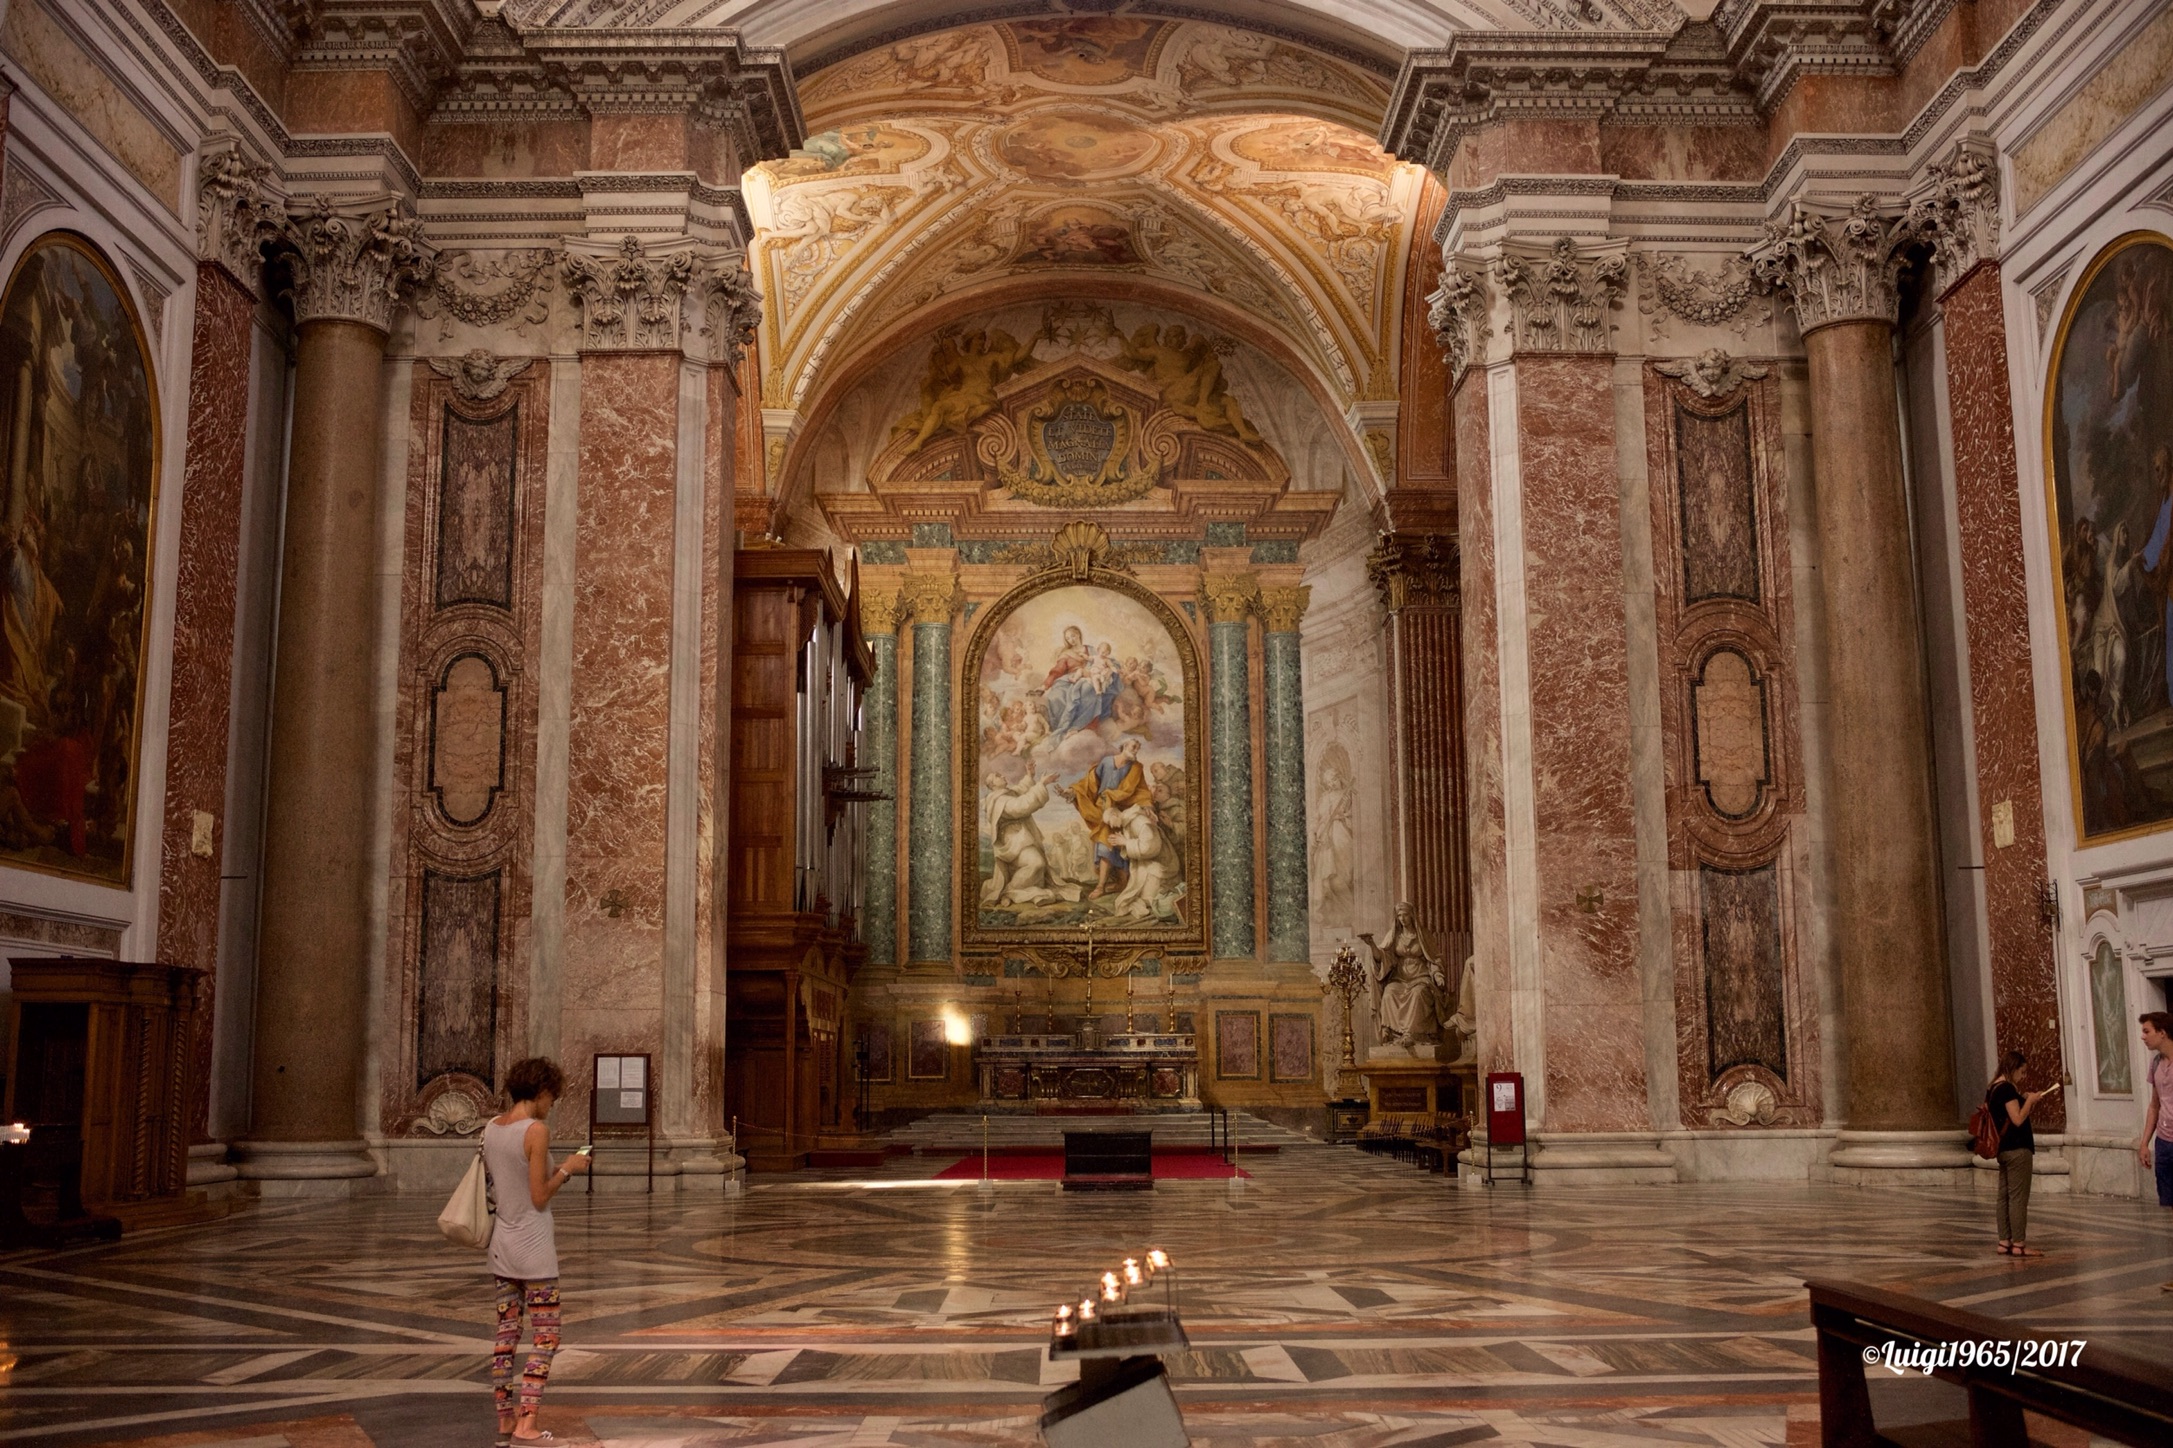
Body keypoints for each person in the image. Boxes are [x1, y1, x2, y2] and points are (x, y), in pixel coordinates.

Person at [483, 1057, 589, 1445]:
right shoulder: (536, 1130)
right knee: (546, 1336)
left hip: (501, 1246)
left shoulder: (491, 1129)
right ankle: (528, 1423)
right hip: (534, 1249)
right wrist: (568, 1168)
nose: (553, 1104)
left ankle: (505, 1419)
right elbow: (539, 1195)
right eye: (552, 1097)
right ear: (542, 1092)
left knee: (506, 1334)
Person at [1987, 1049, 2055, 1259]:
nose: (2023, 1077)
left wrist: (2022, 1098)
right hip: (2017, 1149)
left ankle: (2004, 1241)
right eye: (2022, 1072)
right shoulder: (2007, 1088)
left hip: (2003, 1149)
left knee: (2004, 1196)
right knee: (2017, 1198)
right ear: (2012, 1068)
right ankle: (2019, 1244)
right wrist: (2030, 1101)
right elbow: (2017, 1119)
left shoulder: (1993, 1088)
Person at [1070, 737, 1152, 898]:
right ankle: (1103, 885)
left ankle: (1118, 884)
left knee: (1119, 846)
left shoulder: (1136, 768)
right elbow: (1090, 783)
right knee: (1105, 844)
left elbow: (1142, 790)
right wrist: (1072, 792)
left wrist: (1148, 804)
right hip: (1103, 809)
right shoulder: (1106, 762)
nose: (1136, 750)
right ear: (1124, 746)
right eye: (1134, 747)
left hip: (1124, 811)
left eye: (1138, 748)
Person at [2136, 1011, 2173, 1290]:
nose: (2143, 1036)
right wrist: (2144, 1142)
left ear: (2162, 1032)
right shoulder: (2156, 1063)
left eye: (2147, 1031)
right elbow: (2154, 1105)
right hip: (2165, 1141)